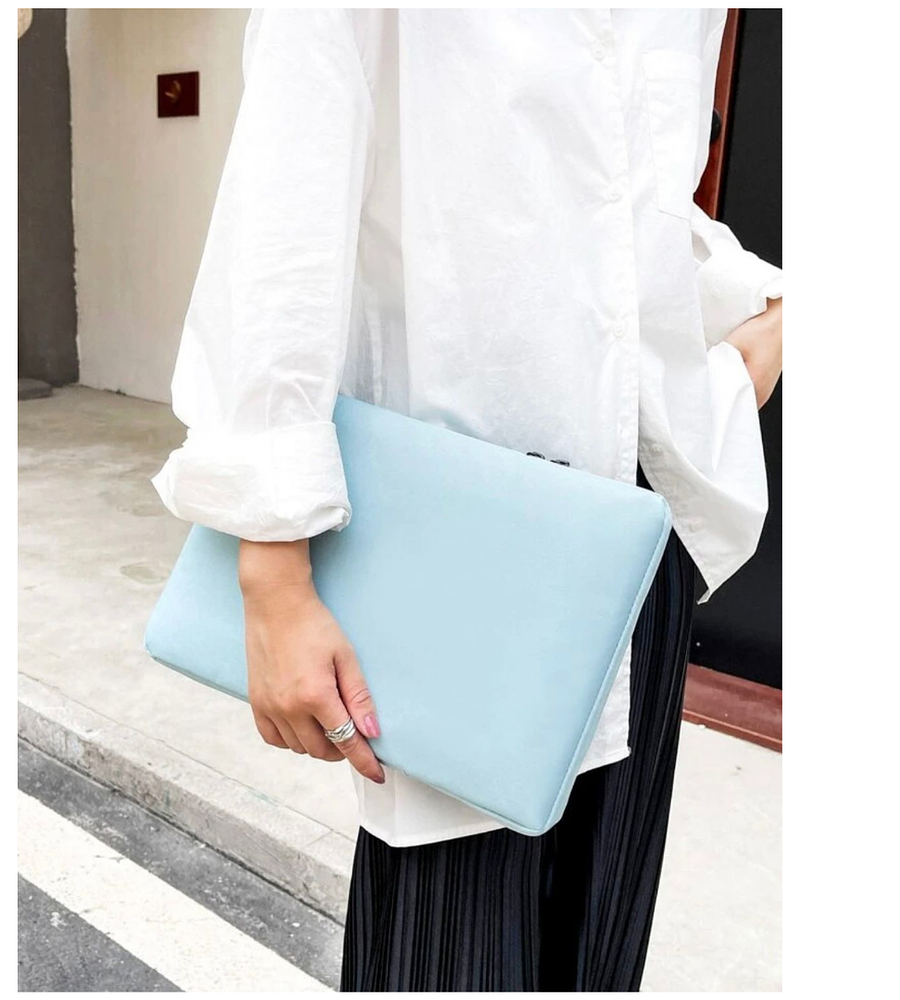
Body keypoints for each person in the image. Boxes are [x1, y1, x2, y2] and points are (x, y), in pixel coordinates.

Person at [151, 8, 782, 991]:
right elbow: (286, 194)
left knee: (600, 943)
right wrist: (272, 568)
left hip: (635, 538)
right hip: (461, 541)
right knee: (451, 952)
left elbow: (641, 193)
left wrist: (756, 306)